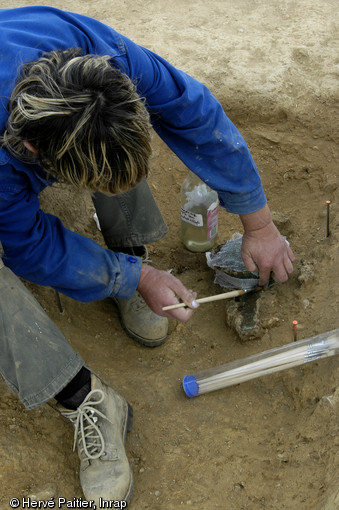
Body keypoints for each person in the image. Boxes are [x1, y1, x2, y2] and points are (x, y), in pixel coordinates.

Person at [0, 5, 295, 504]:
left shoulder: (104, 57)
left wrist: (258, 222)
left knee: (105, 139)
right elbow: (28, 245)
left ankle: (129, 251)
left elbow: (192, 111)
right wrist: (130, 279)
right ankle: (82, 395)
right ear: (30, 148)